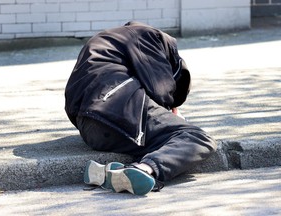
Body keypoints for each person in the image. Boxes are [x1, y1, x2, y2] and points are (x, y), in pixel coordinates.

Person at [65, 21, 217, 196]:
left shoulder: (109, 40)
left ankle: (116, 172)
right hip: (117, 107)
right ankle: (143, 169)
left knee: (162, 142)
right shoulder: (149, 36)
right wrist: (171, 110)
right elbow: (160, 88)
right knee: (197, 138)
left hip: (89, 129)